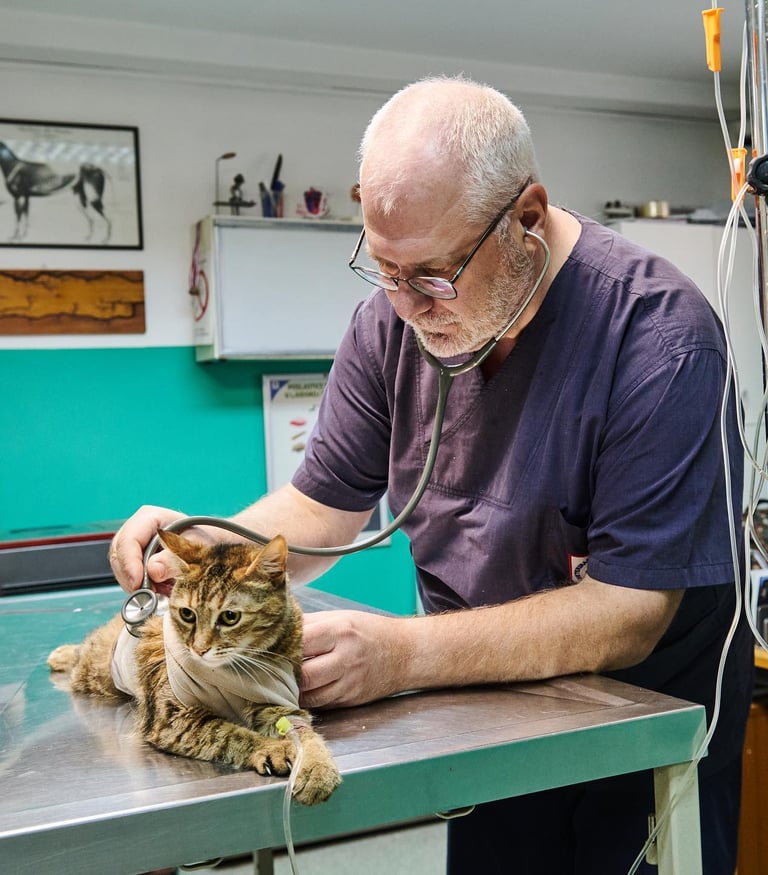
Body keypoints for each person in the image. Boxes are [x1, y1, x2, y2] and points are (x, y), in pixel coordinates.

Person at [110, 76, 753, 873]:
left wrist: (401, 654)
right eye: (384, 269)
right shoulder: (392, 323)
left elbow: (629, 612)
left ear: (526, 218)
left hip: (639, 730)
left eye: (433, 275)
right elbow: (323, 505)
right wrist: (213, 545)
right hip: (486, 714)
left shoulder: (660, 341)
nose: (407, 306)